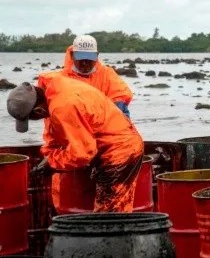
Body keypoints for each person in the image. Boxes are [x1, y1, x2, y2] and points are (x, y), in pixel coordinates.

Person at [6, 75, 144, 212]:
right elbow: (54, 134)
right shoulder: (52, 90)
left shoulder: (63, 107)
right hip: (109, 146)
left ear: (39, 111)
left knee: (110, 213)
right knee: (108, 210)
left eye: (32, 118)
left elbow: (82, 154)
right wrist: (48, 155)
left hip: (121, 150)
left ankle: (114, 232)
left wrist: (53, 162)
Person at [38, 34, 133, 117]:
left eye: (89, 59)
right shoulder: (57, 79)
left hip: (100, 127)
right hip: (69, 132)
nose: (84, 63)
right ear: (72, 55)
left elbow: (120, 96)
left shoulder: (107, 75)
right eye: (81, 58)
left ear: (96, 55)